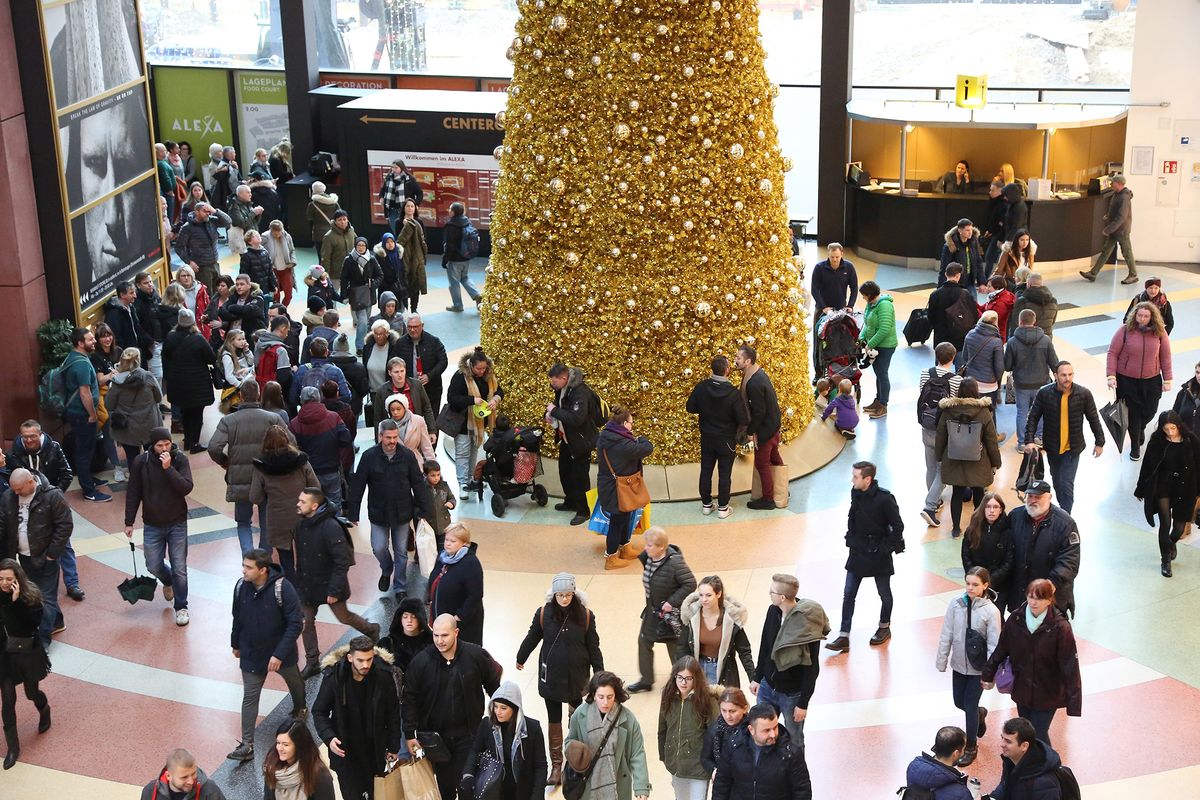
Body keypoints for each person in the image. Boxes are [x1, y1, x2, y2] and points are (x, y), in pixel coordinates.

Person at [515, 573, 604, 786]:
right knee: (553, 720)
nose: (564, 599)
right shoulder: (543, 613)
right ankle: (556, 765)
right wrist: (521, 657)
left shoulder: (586, 615)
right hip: (552, 678)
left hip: (577, 677)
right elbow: (532, 636)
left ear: (574, 594)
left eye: (568, 595)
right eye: (560, 595)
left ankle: (575, 761)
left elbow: (593, 647)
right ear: (553, 594)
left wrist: (600, 675)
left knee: (575, 718)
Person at [402, 614, 503, 800]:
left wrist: (499, 717)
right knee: (445, 787)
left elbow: (494, 687)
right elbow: (410, 698)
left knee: (467, 786)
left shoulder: (475, 655)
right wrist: (409, 733)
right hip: (437, 739)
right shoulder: (421, 662)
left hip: (469, 735)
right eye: (436, 635)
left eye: (445, 636)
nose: (439, 641)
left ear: (456, 632)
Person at [228, 549, 307, 762]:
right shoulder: (240, 587)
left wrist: (279, 654)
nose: (243, 570)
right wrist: (235, 643)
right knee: (250, 696)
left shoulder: (284, 588)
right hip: (252, 652)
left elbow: (295, 624)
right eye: (243, 565)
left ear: (262, 570)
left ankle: (300, 707)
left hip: (280, 652)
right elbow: (238, 617)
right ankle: (247, 744)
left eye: (248, 567)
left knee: (294, 682)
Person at [982, 579, 1081, 746]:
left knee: (1038, 734)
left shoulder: (1060, 627)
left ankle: (1049, 767)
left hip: (1048, 692)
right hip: (1022, 688)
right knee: (1026, 733)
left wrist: (1074, 703)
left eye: (1040, 598)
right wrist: (988, 673)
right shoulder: (1016, 619)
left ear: (1050, 600)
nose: (1034, 602)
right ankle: (1029, 767)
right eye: (1030, 597)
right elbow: (1002, 648)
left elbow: (1070, 665)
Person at [295, 486, 380, 678]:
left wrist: (333, 590)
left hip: (329, 584)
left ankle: (371, 629)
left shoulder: (331, 527)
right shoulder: (301, 525)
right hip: (308, 585)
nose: (298, 504)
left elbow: (341, 562)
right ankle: (312, 661)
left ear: (315, 505)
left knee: (344, 617)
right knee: (305, 622)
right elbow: (301, 559)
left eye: (303, 501)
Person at [346, 418, 432, 599]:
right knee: (378, 547)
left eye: (395, 437)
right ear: (380, 436)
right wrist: (353, 512)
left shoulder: (407, 456)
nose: (392, 441)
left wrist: (425, 509)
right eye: (388, 437)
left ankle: (399, 586)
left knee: (401, 551)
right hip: (378, 512)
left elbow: (418, 483)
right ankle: (386, 569)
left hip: (402, 512)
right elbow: (358, 485)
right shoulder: (369, 457)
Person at [312, 635, 403, 800]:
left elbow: (393, 712)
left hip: (374, 750)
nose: (366, 665)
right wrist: (329, 737)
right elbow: (319, 711)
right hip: (346, 751)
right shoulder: (335, 678)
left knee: (377, 793)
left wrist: (393, 746)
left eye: (369, 660)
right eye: (360, 660)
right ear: (350, 657)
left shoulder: (383, 676)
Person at [827, 461, 904, 651]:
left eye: (855, 476)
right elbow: (852, 516)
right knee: (849, 593)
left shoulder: (885, 499)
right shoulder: (856, 493)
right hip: (859, 550)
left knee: (884, 593)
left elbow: (898, 527)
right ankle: (844, 635)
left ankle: (884, 627)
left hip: (878, 553)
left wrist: (884, 548)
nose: (852, 480)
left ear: (867, 479)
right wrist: (851, 537)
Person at [4, 421, 83, 602]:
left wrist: (54, 496)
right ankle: (37, 590)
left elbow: (67, 473)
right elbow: (10, 478)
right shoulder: (14, 453)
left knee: (64, 544)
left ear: (40, 434)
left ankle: (72, 583)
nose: (29, 440)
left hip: (50, 502)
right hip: (27, 504)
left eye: (32, 436)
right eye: (25, 437)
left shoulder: (54, 447)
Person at [123, 427, 193, 626]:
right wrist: (129, 521)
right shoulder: (141, 463)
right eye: (160, 445)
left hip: (177, 522)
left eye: (167, 444)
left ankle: (181, 607)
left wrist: (169, 469)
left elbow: (186, 487)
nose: (164, 448)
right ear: (152, 446)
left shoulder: (180, 460)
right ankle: (167, 580)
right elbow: (134, 492)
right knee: (153, 564)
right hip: (152, 523)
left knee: (180, 566)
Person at [749, 574, 828, 748]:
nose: (770, 594)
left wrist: (803, 703)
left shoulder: (807, 623)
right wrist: (757, 676)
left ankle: (797, 774)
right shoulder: (773, 612)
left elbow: (812, 666)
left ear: (782, 597)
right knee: (760, 735)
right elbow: (765, 646)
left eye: (772, 591)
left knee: (795, 740)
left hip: (792, 695)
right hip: (768, 687)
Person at [935, 567, 1001, 766]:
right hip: (959, 665)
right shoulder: (956, 604)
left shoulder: (991, 611)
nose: (970, 588)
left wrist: (989, 674)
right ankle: (980, 714)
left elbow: (994, 644)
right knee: (959, 702)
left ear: (985, 586)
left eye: (975, 584)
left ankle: (971, 746)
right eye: (968, 583)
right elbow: (946, 632)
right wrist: (942, 659)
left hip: (978, 668)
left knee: (969, 705)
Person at [0, 470, 71, 647]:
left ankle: (43, 640)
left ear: (31, 482)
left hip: (46, 557)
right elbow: (3, 523)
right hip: (23, 557)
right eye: (13, 489)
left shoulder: (53, 495)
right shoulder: (9, 496)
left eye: (19, 489)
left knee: (46, 597)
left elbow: (65, 525)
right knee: (37, 593)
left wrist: (52, 553)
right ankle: (57, 621)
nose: (15, 493)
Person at [1023, 360, 1105, 515]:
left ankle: (1065, 518)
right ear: (1055, 375)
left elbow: (1093, 418)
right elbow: (1033, 417)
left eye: (1070, 374)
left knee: (1066, 484)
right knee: (1057, 482)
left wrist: (1099, 442)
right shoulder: (1044, 393)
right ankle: (1063, 511)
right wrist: (1029, 440)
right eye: (1063, 375)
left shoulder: (1083, 394)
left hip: (1072, 449)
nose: (1067, 378)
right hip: (1053, 448)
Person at [209, 381, 281, 553]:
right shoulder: (272, 419)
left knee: (243, 522)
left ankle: (248, 558)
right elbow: (290, 443)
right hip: (266, 477)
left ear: (240, 396)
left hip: (240, 478)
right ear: (258, 395)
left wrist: (225, 462)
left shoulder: (228, 421)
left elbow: (213, 447)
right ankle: (264, 561)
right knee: (266, 521)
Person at [628, 527, 696, 693]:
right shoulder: (648, 558)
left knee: (674, 647)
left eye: (650, 545)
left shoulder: (675, 563)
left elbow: (690, 583)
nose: (645, 548)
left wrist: (671, 602)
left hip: (669, 614)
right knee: (644, 640)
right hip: (653, 610)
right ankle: (646, 680)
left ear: (661, 547)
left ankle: (682, 680)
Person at [564, 671, 651, 800]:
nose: (605, 702)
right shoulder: (580, 715)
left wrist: (641, 786)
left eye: (609, 697)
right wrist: (575, 750)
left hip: (618, 786)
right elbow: (569, 740)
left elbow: (637, 753)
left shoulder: (627, 719)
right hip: (588, 784)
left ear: (615, 695)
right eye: (601, 697)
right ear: (593, 695)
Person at [0, 558, 52, 770]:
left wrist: (15, 602)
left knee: (32, 693)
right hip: (3, 656)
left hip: (26, 652)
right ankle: (13, 747)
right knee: (8, 700)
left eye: (8, 579)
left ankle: (44, 709)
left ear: (18, 578)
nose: (4, 583)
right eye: (1, 578)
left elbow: (31, 626)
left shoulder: (30, 597)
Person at [935, 378, 1004, 536]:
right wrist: (996, 462)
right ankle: (977, 526)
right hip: (978, 461)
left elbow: (941, 435)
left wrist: (939, 456)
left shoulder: (948, 410)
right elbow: (991, 440)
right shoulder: (983, 411)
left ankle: (955, 529)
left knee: (957, 494)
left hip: (954, 459)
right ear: (976, 391)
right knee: (979, 494)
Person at [1136, 411, 1200, 578]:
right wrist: (1140, 488)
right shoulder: (1156, 442)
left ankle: (1170, 544)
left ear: (1179, 425)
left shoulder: (1191, 440)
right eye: (1166, 429)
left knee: (1179, 528)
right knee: (1165, 523)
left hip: (1185, 486)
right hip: (1162, 485)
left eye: (1173, 428)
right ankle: (1166, 560)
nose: (1170, 432)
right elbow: (1147, 467)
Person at [249, 426, 317, 583]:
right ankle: (305, 589)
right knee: (304, 555)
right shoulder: (301, 460)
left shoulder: (261, 466)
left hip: (278, 518)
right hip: (303, 514)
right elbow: (315, 486)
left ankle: (291, 590)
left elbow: (255, 497)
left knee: (285, 560)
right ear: (287, 441)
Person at [1108, 301, 1173, 461]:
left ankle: (1141, 427)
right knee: (1133, 414)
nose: (1141, 319)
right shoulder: (1125, 330)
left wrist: (1168, 378)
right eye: (1139, 315)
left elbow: (1165, 356)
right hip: (1127, 380)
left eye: (1145, 316)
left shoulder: (1160, 332)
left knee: (1150, 410)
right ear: (1134, 315)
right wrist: (1111, 375)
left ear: (1152, 317)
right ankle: (1135, 447)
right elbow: (1112, 353)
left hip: (1151, 380)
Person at [686, 356, 750, 519]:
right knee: (724, 474)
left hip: (707, 438)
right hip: (726, 440)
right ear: (727, 370)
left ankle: (706, 505)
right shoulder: (733, 393)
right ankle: (723, 508)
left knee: (706, 471)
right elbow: (743, 419)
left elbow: (690, 407)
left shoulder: (701, 387)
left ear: (712, 369)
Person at [1006, 482, 1080, 617]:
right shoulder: (1015, 517)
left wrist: (1049, 585)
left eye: (1038, 497)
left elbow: (1070, 561)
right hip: (1020, 595)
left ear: (1050, 497)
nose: (1033, 500)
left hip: (1051, 598)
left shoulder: (1066, 524)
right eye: (1030, 496)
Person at [711, 703, 812, 800]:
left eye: (775, 727)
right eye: (766, 730)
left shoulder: (790, 753)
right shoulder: (733, 746)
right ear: (751, 730)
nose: (773, 734)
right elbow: (722, 783)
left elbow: (802, 791)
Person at [594, 406, 654, 567]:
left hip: (615, 485)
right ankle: (611, 558)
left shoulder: (609, 435)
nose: (632, 426)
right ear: (624, 423)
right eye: (631, 423)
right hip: (616, 488)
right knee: (617, 521)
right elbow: (645, 449)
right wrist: (642, 439)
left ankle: (625, 547)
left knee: (624, 517)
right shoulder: (620, 442)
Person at [547, 363, 603, 526]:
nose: (552, 384)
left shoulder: (580, 392)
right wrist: (550, 414)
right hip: (567, 438)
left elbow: (577, 419)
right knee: (565, 472)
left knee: (579, 477)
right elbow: (558, 406)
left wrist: (554, 411)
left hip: (581, 440)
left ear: (564, 378)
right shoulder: (563, 388)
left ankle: (583, 510)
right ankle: (570, 501)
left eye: (554, 381)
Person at [916, 344, 965, 527]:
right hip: (944, 429)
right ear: (952, 357)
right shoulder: (956, 380)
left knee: (930, 466)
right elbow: (955, 404)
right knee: (943, 469)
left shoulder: (924, 373)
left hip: (926, 424)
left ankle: (935, 502)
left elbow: (922, 394)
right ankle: (930, 505)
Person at [60, 327, 111, 502]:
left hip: (76, 413)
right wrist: (92, 414)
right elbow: (84, 393)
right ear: (80, 343)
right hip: (82, 415)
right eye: (90, 340)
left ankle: (88, 479)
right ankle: (89, 490)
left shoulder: (74, 357)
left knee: (84, 449)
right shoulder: (81, 364)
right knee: (84, 451)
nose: (94, 341)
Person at [445, 347, 504, 496]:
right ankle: (463, 483)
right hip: (464, 422)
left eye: (484, 368)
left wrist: (495, 399)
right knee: (463, 452)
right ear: (471, 366)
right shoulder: (460, 377)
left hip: (479, 421)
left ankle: (471, 479)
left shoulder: (489, 376)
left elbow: (499, 391)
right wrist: (472, 400)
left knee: (474, 451)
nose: (481, 371)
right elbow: (452, 398)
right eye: (478, 368)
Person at [658, 656, 718, 800]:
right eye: (680, 677)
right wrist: (664, 755)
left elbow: (715, 734)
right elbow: (662, 729)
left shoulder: (707, 700)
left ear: (696, 679)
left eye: (688, 678)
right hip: (676, 766)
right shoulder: (668, 697)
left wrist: (714, 765)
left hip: (699, 767)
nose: (683, 683)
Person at [678, 575, 754, 689]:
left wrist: (753, 678)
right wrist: (682, 673)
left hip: (725, 671)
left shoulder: (732, 620)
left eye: (708, 595)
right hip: (699, 669)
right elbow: (682, 648)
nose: (704, 599)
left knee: (723, 704)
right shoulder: (691, 617)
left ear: (718, 594)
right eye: (701, 595)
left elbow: (744, 651)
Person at [734, 345, 784, 511]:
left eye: (738, 358)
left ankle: (768, 499)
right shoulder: (758, 373)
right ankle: (782, 488)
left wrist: (751, 432)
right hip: (774, 425)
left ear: (748, 361)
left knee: (762, 464)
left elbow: (759, 411)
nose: (735, 361)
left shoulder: (753, 382)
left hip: (766, 430)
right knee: (775, 458)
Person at [290, 387, 353, 509]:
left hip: (308, 473)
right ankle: (334, 527)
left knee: (311, 507)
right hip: (331, 468)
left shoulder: (294, 424)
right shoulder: (333, 417)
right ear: (319, 398)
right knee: (334, 505)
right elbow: (345, 439)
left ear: (301, 401)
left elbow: (293, 450)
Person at [162, 309, 215, 453]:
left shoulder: (170, 337)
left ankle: (187, 440)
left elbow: (165, 358)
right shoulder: (198, 339)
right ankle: (194, 444)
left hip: (178, 382)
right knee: (197, 413)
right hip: (197, 383)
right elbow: (211, 358)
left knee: (185, 411)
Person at [1006, 309, 1059, 451]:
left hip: (1021, 384)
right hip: (1042, 383)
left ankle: (1022, 443)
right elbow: (1054, 362)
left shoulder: (1012, 342)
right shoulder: (1046, 340)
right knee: (1040, 411)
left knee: (1021, 412)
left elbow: (1007, 366)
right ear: (1034, 321)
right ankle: (1039, 437)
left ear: (1019, 321)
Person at [427, 523, 485, 645]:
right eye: (446, 539)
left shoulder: (471, 563)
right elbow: (435, 578)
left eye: (452, 541)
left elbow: (475, 595)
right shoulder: (443, 556)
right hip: (441, 620)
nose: (447, 543)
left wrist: (459, 617)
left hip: (462, 626)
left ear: (464, 543)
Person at [809, 243, 858, 380]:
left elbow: (854, 288)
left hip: (841, 311)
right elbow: (814, 289)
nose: (835, 260)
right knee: (819, 342)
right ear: (828, 255)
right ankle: (818, 373)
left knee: (840, 341)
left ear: (842, 254)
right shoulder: (819, 268)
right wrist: (823, 307)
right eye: (832, 257)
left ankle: (840, 369)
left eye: (837, 257)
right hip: (822, 310)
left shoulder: (849, 267)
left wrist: (850, 306)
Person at [989, 717, 1069, 800]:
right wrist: (993, 797)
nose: (1002, 744)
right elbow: (1006, 784)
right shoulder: (1012, 759)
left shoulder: (1044, 783)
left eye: (1008, 741)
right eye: (1002, 738)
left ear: (1024, 746)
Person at [961, 492, 1015, 613]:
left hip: (999, 586)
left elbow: (1009, 561)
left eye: (995, 507)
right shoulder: (972, 529)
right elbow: (966, 555)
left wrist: (990, 580)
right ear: (983, 508)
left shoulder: (1008, 532)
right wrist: (976, 579)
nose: (992, 511)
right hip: (976, 584)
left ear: (1001, 510)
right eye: (988, 506)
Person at [1080, 173, 1137, 284]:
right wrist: (1108, 215)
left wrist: (1108, 229)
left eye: (1113, 182)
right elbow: (1116, 210)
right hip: (1115, 230)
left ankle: (1133, 274)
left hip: (1121, 230)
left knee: (1127, 252)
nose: (1111, 184)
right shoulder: (1117, 194)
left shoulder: (1124, 197)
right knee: (1106, 251)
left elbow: (1122, 217)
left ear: (1119, 184)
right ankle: (1093, 273)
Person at [262, 719, 336, 800]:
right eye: (278, 743)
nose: (279, 748)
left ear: (299, 746)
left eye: (285, 745)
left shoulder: (319, 775)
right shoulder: (272, 766)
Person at [373, 357, 436, 445]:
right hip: (393, 433)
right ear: (390, 373)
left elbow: (427, 408)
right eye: (396, 372)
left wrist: (432, 430)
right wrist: (378, 440)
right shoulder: (382, 391)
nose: (400, 375)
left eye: (402, 371)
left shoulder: (417, 385)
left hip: (415, 429)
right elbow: (378, 418)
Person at [902, 727, 974, 800]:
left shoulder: (913, 768)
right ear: (955, 753)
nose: (963, 753)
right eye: (963, 749)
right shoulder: (962, 793)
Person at [174, 202, 232, 293]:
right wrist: (189, 262)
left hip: (214, 263)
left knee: (218, 292)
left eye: (209, 211)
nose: (208, 213)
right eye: (205, 211)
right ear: (196, 212)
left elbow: (228, 221)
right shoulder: (187, 227)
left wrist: (214, 211)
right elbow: (179, 247)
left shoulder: (211, 221)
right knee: (207, 295)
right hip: (201, 268)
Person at [859, 280, 896, 419]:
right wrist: (861, 338)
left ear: (870, 294)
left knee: (882, 374)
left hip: (886, 346)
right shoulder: (871, 304)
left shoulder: (884, 305)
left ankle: (883, 405)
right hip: (876, 345)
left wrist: (870, 345)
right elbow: (867, 324)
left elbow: (884, 329)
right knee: (878, 374)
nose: (863, 298)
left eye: (864, 295)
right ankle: (878, 400)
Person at [927, 264, 979, 362]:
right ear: (958, 275)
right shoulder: (965, 294)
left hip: (941, 338)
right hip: (960, 338)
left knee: (940, 369)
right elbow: (974, 315)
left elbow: (931, 317)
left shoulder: (935, 294)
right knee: (960, 370)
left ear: (946, 274)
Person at [398, 314, 449, 412]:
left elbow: (443, 362)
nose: (412, 330)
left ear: (422, 326)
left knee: (432, 420)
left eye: (415, 327)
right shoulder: (400, 343)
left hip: (432, 389)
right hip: (408, 389)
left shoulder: (433, 341)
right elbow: (393, 362)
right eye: (410, 327)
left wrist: (429, 376)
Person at [342, 236, 383, 351]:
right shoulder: (349, 260)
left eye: (363, 245)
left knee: (366, 320)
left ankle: (366, 341)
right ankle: (360, 346)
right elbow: (344, 278)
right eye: (359, 245)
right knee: (363, 321)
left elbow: (380, 275)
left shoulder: (372, 259)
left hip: (369, 294)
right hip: (356, 294)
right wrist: (344, 295)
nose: (361, 248)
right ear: (355, 246)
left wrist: (373, 285)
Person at [140, 748, 227, 800]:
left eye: (193, 773)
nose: (191, 781)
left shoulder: (210, 791)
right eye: (184, 777)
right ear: (168, 776)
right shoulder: (150, 791)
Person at [442, 201, 482, 311]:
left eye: (450, 209)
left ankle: (458, 305)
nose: (449, 211)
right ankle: (476, 295)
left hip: (455, 259)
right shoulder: (467, 222)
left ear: (454, 212)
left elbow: (449, 246)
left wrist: (445, 260)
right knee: (465, 277)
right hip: (466, 257)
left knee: (454, 282)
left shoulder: (451, 226)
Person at [700, 688, 748, 775]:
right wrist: (714, 770)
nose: (728, 716)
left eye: (732, 711)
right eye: (724, 711)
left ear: (744, 709)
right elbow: (705, 758)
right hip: (723, 779)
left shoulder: (752, 729)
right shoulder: (714, 730)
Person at [380, 596, 433, 674]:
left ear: (420, 618)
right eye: (405, 616)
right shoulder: (388, 642)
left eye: (414, 617)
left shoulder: (430, 642)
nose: (409, 620)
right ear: (400, 618)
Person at [293, 338, 352, 404]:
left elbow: (293, 397)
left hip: (308, 411)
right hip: (329, 410)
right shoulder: (336, 371)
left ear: (310, 352)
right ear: (327, 352)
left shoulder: (302, 370)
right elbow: (346, 396)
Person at [396, 198, 428, 312]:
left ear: (415, 209)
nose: (410, 208)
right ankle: (404, 308)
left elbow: (422, 239)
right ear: (404, 208)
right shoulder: (398, 222)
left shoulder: (419, 221)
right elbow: (398, 240)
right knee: (404, 281)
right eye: (408, 206)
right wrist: (406, 226)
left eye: (412, 206)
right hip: (404, 256)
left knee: (416, 283)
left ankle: (414, 309)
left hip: (417, 255)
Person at [383, 393, 435, 462]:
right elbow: (382, 449)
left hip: (415, 462)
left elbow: (426, 445)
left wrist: (433, 464)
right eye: (392, 410)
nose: (395, 412)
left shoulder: (418, 421)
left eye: (398, 409)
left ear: (404, 408)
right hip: (394, 463)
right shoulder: (384, 425)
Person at [939, 219, 985, 292]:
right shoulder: (950, 245)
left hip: (970, 282)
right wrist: (940, 288)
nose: (970, 232)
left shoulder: (974, 242)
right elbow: (944, 267)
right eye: (967, 230)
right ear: (960, 230)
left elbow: (978, 262)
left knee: (973, 302)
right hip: (956, 283)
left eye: (971, 229)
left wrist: (982, 282)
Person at [379, 159, 423, 233]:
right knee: (396, 232)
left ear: (401, 168)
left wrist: (416, 204)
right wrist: (381, 197)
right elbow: (383, 190)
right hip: (392, 210)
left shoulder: (409, 179)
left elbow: (419, 193)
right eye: (392, 167)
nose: (394, 170)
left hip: (405, 211)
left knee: (407, 231)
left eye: (396, 168)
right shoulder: (388, 178)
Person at [219, 329, 257, 412]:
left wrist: (247, 350)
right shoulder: (227, 355)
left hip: (245, 382)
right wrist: (240, 385)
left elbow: (251, 363)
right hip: (235, 388)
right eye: (239, 339)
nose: (242, 341)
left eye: (243, 339)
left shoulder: (241, 350)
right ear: (231, 341)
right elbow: (229, 376)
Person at [1012, 272, 1058, 339]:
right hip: (1046, 339)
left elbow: (1015, 324)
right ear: (1041, 284)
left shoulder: (1022, 301)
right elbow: (1053, 321)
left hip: (1026, 340)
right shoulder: (1053, 300)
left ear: (1029, 284)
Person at [263, 220, 297, 305]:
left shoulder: (287, 236)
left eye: (279, 232)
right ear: (271, 231)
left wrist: (293, 261)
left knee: (289, 294)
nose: (277, 235)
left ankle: (282, 311)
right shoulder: (265, 237)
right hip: (273, 270)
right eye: (275, 233)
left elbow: (292, 250)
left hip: (286, 268)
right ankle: (276, 312)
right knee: (276, 295)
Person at [320, 210, 357, 282]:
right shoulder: (329, 236)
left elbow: (357, 243)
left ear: (347, 220)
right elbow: (325, 257)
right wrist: (326, 273)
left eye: (344, 219)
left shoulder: (351, 230)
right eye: (339, 220)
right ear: (335, 221)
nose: (342, 222)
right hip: (336, 273)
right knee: (333, 292)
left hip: (351, 270)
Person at [228, 185, 264, 257]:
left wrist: (258, 214)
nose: (250, 194)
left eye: (250, 192)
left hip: (252, 238)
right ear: (240, 194)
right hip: (244, 241)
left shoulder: (248, 204)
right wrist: (253, 213)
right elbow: (242, 224)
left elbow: (255, 223)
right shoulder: (234, 207)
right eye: (248, 192)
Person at [981, 275, 1016, 344]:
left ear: (997, 287)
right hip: (993, 334)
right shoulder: (996, 297)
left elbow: (991, 319)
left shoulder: (1002, 302)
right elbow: (983, 308)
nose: (987, 288)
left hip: (996, 336)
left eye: (989, 286)